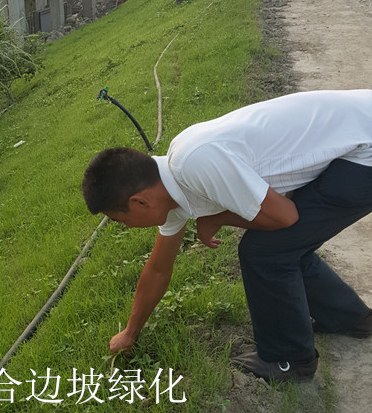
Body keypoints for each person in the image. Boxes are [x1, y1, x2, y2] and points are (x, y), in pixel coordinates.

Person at [81, 90, 372, 382]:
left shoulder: (194, 163)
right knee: (286, 245)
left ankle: (290, 360)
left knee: (265, 253)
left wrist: (217, 218)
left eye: (122, 221)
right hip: (355, 137)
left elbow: (286, 216)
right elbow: (158, 269)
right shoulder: (171, 187)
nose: (128, 227)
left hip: (363, 149)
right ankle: (348, 318)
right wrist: (130, 332)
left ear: (139, 202)